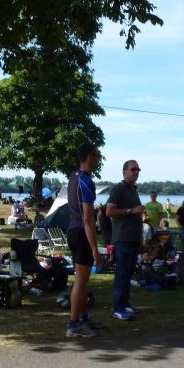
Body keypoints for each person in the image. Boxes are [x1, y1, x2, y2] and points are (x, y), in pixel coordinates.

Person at [65, 142, 102, 337]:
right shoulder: (86, 181)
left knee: (82, 280)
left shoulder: (74, 177)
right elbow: (88, 219)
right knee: (81, 281)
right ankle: (73, 325)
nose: (99, 159)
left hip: (73, 231)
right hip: (81, 233)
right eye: (97, 155)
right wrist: (95, 249)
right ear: (88, 157)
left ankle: (83, 318)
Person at [106, 160, 145, 321]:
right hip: (122, 239)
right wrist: (131, 210)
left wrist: (140, 240)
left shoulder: (133, 190)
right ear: (124, 172)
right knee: (122, 274)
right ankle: (118, 308)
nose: (136, 172)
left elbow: (137, 216)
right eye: (133, 169)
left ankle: (125, 303)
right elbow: (109, 211)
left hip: (133, 238)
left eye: (138, 169)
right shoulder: (118, 189)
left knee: (129, 273)